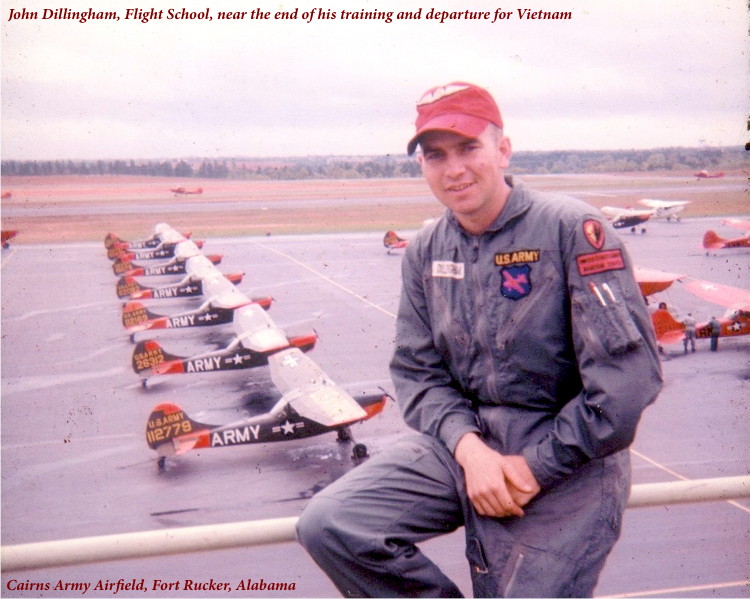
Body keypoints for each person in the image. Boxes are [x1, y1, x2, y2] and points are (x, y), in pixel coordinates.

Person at [296, 82, 663, 597]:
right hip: (467, 447)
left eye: (469, 148)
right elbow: (418, 374)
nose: (454, 169)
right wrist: (470, 451)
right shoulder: (425, 251)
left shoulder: (571, 229)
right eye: (435, 156)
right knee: (333, 523)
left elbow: (626, 383)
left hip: (569, 458)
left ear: (503, 150)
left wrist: (534, 466)